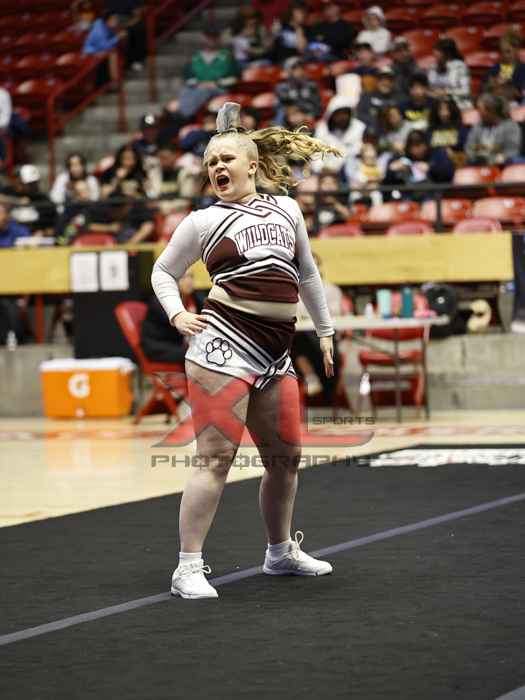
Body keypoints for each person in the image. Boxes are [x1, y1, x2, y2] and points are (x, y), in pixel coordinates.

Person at [151, 102, 339, 599]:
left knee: (286, 458)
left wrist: (325, 330)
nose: (217, 167)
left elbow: (307, 273)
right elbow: (162, 271)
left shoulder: (287, 209)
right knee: (216, 457)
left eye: (226, 159)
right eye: (211, 162)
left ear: (251, 165)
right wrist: (176, 313)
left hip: (275, 353)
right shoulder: (201, 221)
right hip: (221, 347)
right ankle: (187, 567)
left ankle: (279, 552)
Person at [141, 271, 204, 364]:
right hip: (159, 346)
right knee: (197, 355)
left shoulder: (195, 299)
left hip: (179, 344)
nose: (189, 281)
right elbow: (178, 326)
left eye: (191, 276)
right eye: (183, 277)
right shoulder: (161, 301)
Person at [465, 93, 522, 165]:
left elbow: (511, 152)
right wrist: (493, 148)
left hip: (502, 166)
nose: (478, 113)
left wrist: (491, 159)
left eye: (480, 110)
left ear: (491, 111)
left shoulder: (511, 126)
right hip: (478, 164)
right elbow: (469, 147)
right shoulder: (478, 126)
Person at [427, 38, 471, 109]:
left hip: (457, 104)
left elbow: (465, 91)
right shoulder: (433, 67)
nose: (434, 53)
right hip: (436, 103)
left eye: (438, 51)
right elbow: (430, 87)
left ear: (447, 53)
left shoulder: (460, 66)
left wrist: (446, 92)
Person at [276, 57, 322, 123]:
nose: (299, 70)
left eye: (301, 67)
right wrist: (290, 114)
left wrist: (311, 115)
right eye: (294, 68)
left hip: (309, 116)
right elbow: (281, 106)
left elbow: (317, 104)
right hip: (290, 118)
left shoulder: (311, 86)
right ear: (288, 71)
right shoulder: (282, 88)